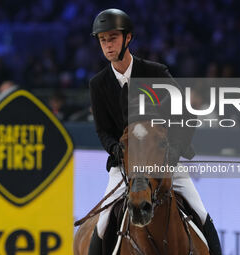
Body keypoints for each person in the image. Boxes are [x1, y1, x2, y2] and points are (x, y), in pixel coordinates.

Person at [88, 9, 222, 255]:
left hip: (162, 160)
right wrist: (115, 149)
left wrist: (173, 152)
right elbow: (103, 129)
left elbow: (186, 116)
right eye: (102, 40)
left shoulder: (156, 73)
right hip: (126, 164)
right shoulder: (98, 84)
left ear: (127, 39)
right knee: (102, 222)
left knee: (201, 213)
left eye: (112, 38)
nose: (107, 45)